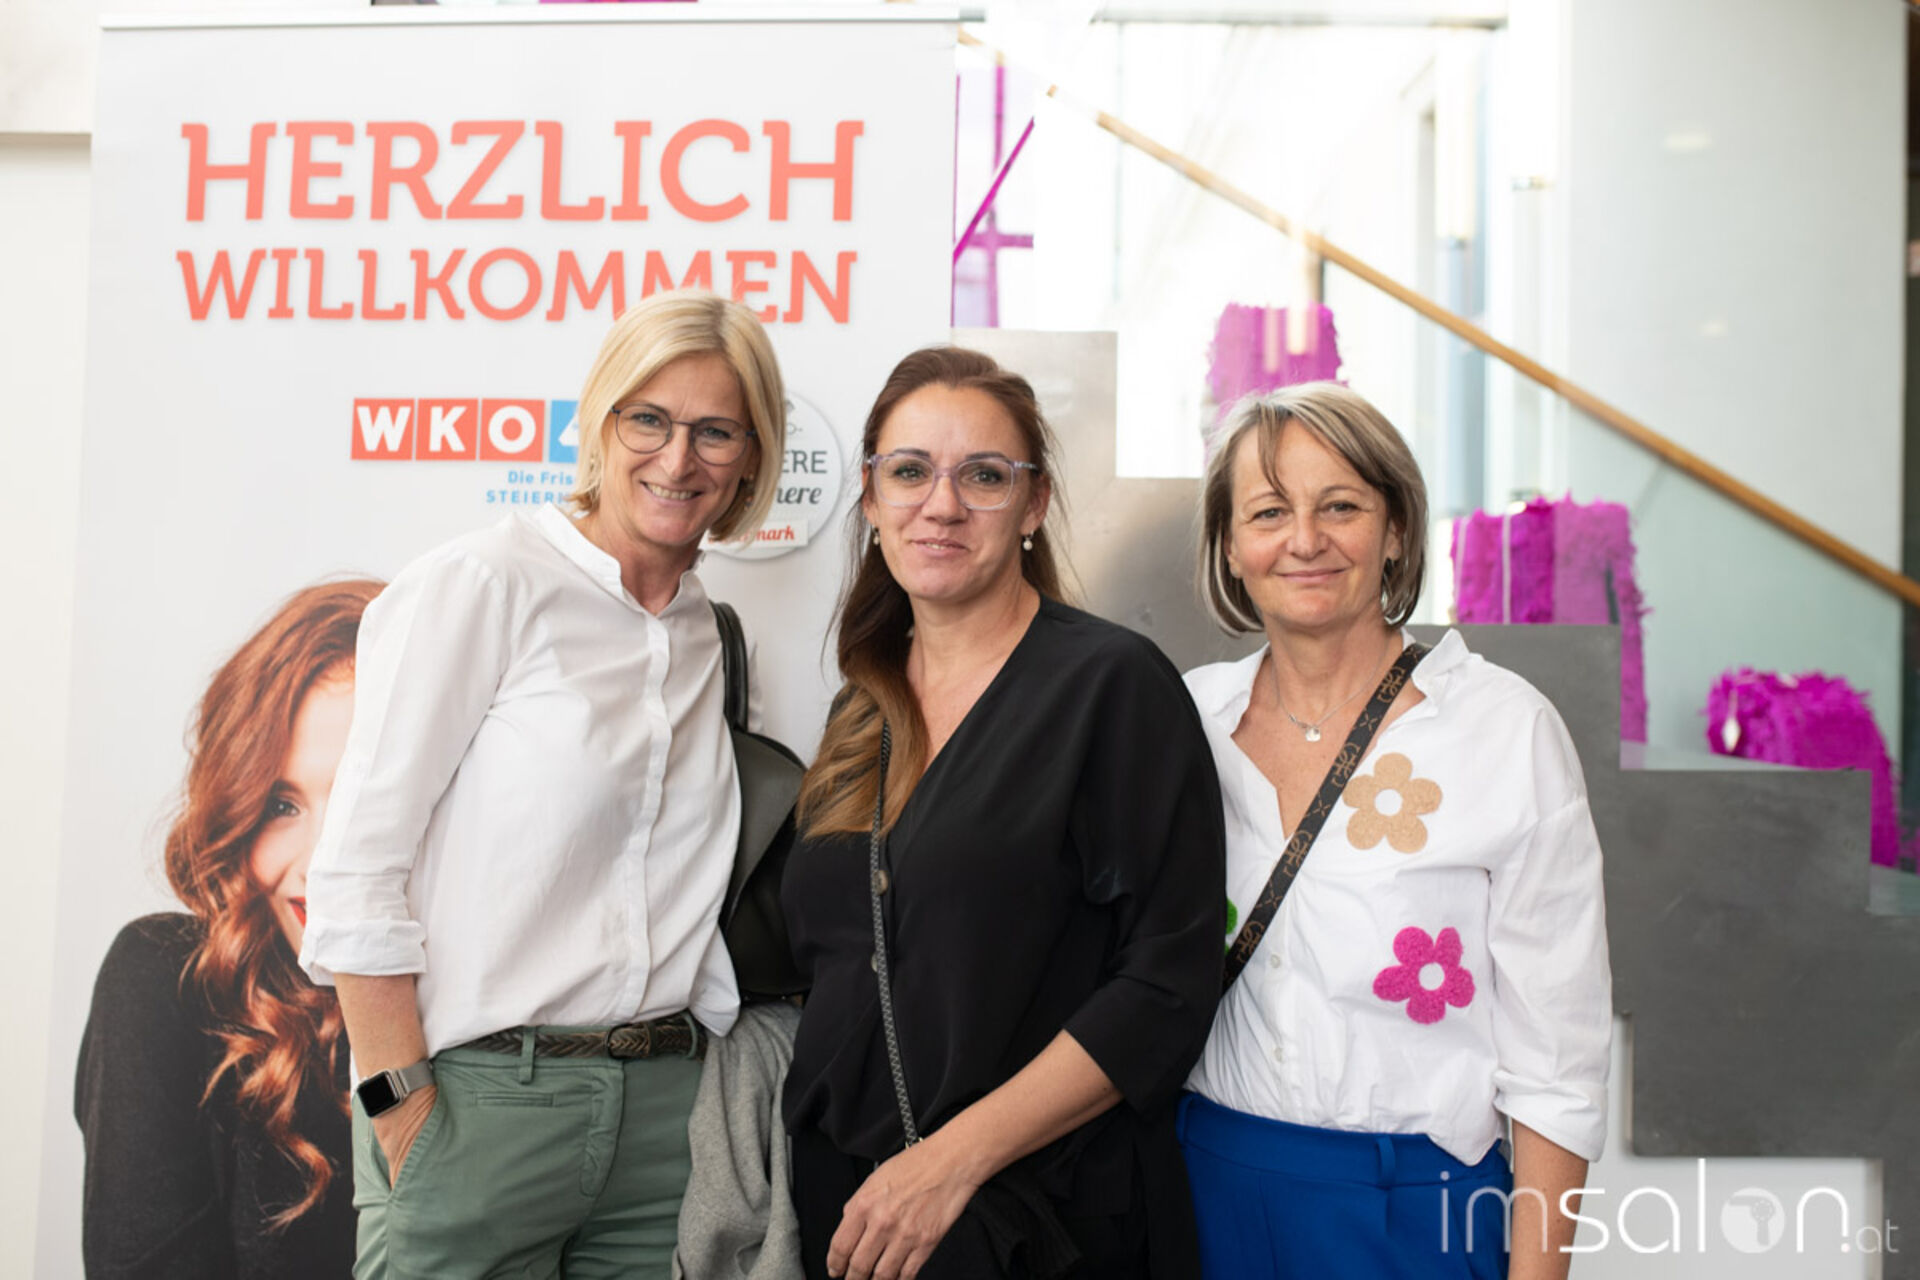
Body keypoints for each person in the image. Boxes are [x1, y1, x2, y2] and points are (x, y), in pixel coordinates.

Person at [298, 289, 787, 1280]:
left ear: (751, 456)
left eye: (714, 431)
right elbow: (355, 870)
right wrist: (403, 1112)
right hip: (479, 1108)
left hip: (667, 1125)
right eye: (648, 419)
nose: (678, 458)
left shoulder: (703, 632)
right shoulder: (483, 584)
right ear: (599, 423)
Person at [781, 346, 1226, 1280]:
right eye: (910, 472)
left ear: (1033, 505)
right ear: (870, 499)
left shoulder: (1111, 686)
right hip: (854, 1211)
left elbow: (1167, 983)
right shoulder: (861, 705)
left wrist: (950, 1163)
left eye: (983, 476)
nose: (941, 505)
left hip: (1034, 1216)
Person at [1179, 381, 1612, 1280]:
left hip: (1414, 1210)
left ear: (1397, 531)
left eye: (1341, 506)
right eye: (1269, 511)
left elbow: (1557, 1067)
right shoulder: (1184, 721)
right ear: (1230, 545)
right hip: (1198, 1189)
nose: (1305, 539)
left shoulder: (1503, 730)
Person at [76, 578, 383, 1280]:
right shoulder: (168, 984)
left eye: (361, 802)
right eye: (281, 805)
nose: (322, 863)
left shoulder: (503, 1016)